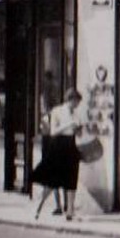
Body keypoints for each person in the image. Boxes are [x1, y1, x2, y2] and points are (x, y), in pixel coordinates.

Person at [32, 88, 83, 220]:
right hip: (58, 145)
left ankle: (70, 211)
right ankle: (38, 207)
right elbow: (54, 131)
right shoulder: (57, 111)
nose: (77, 106)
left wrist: (78, 130)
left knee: (72, 178)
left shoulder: (76, 114)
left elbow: (78, 133)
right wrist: (69, 125)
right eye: (76, 102)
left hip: (71, 144)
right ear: (70, 100)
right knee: (53, 181)